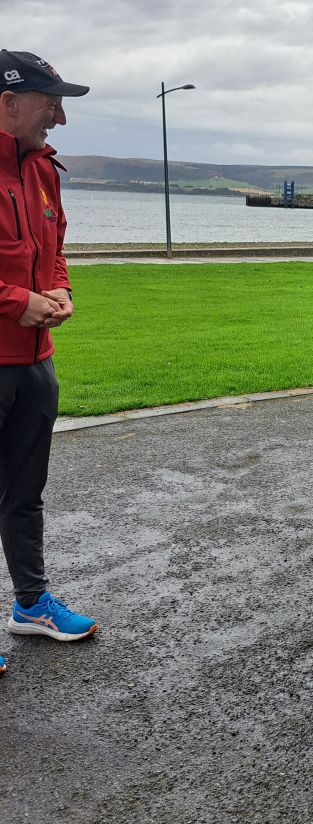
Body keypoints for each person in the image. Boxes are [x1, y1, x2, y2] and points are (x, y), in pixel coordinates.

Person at [0, 50, 96, 675]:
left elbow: (52, 248)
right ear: (7, 102)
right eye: (50, 102)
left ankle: (31, 604)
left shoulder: (43, 171)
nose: (59, 117)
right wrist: (14, 301)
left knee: (25, 492)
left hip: (36, 362)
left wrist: (58, 290)